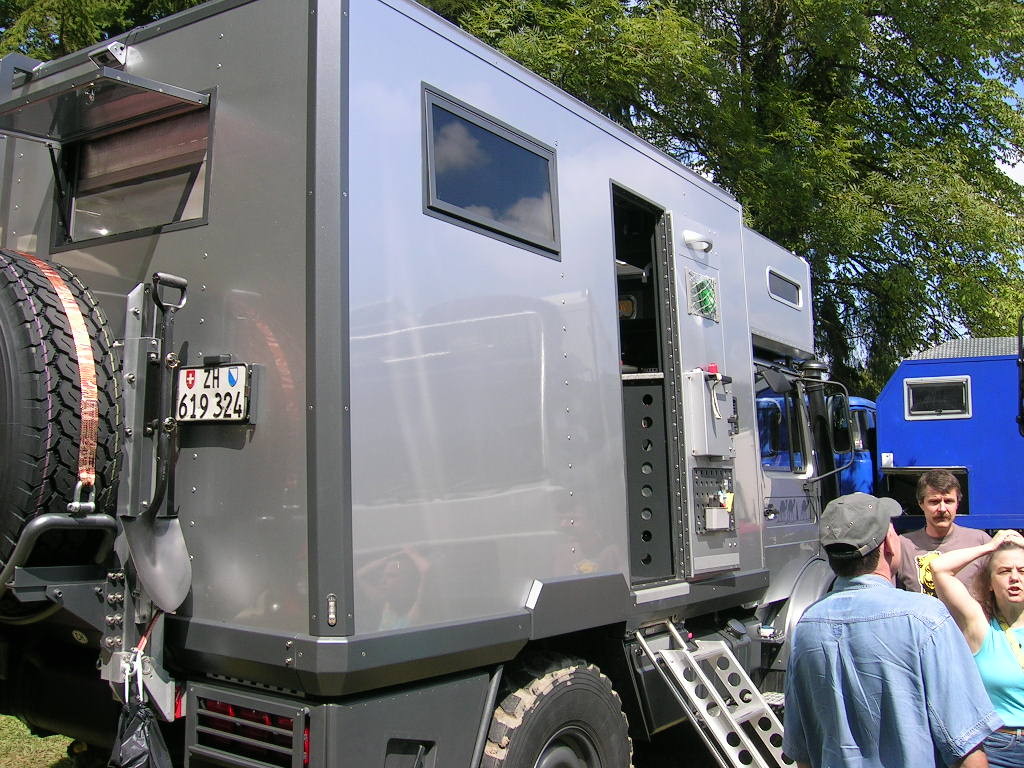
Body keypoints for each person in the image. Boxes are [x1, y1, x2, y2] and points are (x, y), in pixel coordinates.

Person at [783, 492, 1000, 768]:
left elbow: (803, 750)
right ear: (888, 544)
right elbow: (966, 747)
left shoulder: (807, 625)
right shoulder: (925, 618)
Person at [933, 530, 1024, 768]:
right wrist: (989, 547)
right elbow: (940, 568)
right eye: (1004, 571)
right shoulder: (980, 626)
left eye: (1022, 570)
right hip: (1000, 747)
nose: (1015, 578)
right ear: (990, 583)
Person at [896, 469, 991, 595]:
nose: (942, 509)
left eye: (948, 501)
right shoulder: (903, 545)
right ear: (921, 503)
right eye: (934, 502)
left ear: (957, 503)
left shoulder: (980, 542)